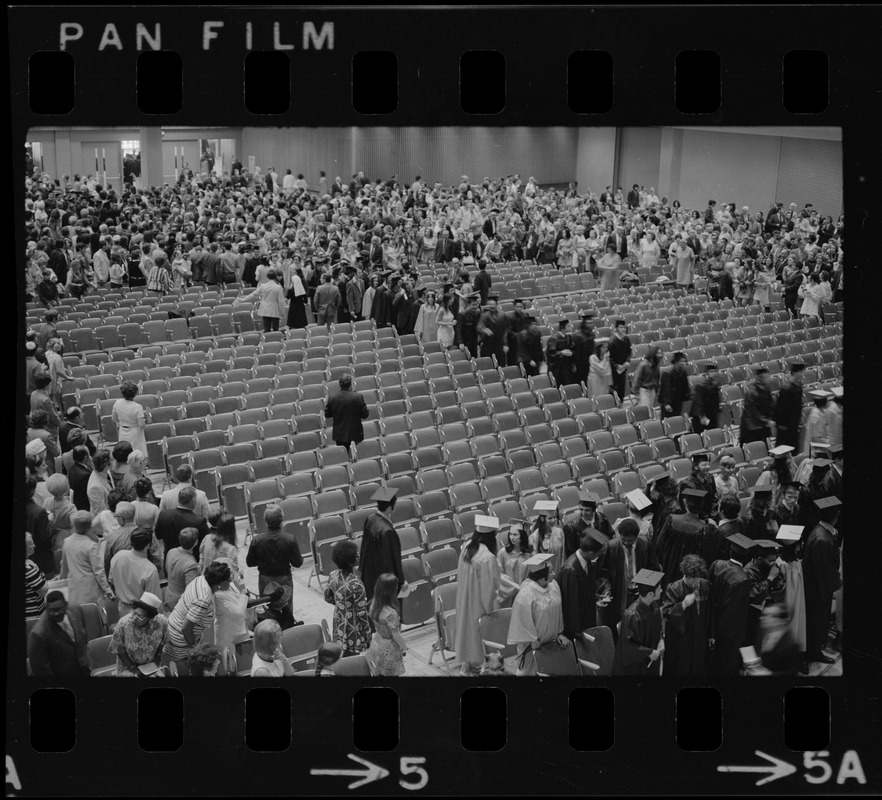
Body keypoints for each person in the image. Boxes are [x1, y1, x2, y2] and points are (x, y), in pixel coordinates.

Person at [455, 516, 503, 675]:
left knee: (468, 637)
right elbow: (491, 590)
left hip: (464, 602)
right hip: (478, 606)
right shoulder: (487, 557)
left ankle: (466, 667)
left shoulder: (466, 547)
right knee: (479, 640)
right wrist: (493, 610)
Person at [165, 561, 232, 675]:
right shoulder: (203, 599)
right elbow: (186, 629)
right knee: (190, 671)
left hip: (179, 627)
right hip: (182, 640)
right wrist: (196, 650)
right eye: (228, 579)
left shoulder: (201, 579)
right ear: (219, 584)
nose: (230, 581)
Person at [507, 554, 569, 676]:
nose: (554, 574)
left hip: (551, 643)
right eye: (551, 572)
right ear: (542, 576)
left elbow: (558, 611)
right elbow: (522, 622)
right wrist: (533, 640)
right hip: (532, 646)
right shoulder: (526, 595)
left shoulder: (554, 586)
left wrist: (559, 633)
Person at [595, 518, 657, 638]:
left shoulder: (645, 544)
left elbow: (653, 567)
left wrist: (645, 584)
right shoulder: (611, 547)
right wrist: (606, 589)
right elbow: (602, 573)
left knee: (638, 623)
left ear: (636, 536)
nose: (626, 543)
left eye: (630, 540)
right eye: (623, 539)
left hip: (639, 591)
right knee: (618, 623)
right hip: (619, 591)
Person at [708, 533, 756, 676]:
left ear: (730, 550)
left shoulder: (716, 564)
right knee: (725, 664)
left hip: (710, 620)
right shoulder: (743, 579)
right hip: (727, 630)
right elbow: (734, 611)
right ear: (746, 557)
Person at [802, 497, 841, 666]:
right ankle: (813, 653)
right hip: (817, 590)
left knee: (819, 623)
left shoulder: (824, 532)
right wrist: (835, 585)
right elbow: (823, 571)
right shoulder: (821, 539)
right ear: (836, 515)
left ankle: (815, 651)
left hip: (819, 587)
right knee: (816, 623)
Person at [246, 504, 304, 612]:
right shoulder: (289, 539)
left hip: (265, 580)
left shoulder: (257, 540)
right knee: (286, 611)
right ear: (281, 519)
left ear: (265, 520)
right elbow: (298, 563)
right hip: (284, 579)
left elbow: (250, 562)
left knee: (268, 610)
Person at [662, 554, 712, 676]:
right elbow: (666, 612)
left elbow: (710, 612)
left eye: (697, 578)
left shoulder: (705, 585)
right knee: (681, 668)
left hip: (700, 635)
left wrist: (711, 634)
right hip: (683, 639)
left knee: (698, 666)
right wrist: (683, 605)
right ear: (685, 574)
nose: (695, 581)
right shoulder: (674, 588)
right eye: (692, 578)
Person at [612, 569, 665, 676]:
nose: (662, 590)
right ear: (650, 594)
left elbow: (658, 628)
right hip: (634, 668)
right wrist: (649, 652)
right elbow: (628, 646)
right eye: (659, 589)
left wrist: (661, 640)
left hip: (650, 663)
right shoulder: (632, 615)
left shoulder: (654, 606)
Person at [324, 539, 372, 657]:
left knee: (341, 651)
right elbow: (362, 613)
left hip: (339, 619)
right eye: (356, 555)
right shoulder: (356, 584)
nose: (358, 556)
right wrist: (367, 631)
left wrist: (341, 604)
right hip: (353, 625)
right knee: (351, 655)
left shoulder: (333, 575)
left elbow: (327, 597)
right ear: (352, 562)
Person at [27, 591, 91, 677]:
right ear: (46, 608)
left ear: (66, 605)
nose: (56, 613)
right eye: (52, 610)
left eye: (59, 609)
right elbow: (41, 671)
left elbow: (83, 640)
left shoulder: (75, 610)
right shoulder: (38, 634)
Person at [558, 527, 606, 640]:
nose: (601, 554)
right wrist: (577, 631)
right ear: (590, 553)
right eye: (600, 552)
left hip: (587, 618)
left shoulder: (587, 561)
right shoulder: (570, 570)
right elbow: (571, 605)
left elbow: (586, 588)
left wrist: (597, 597)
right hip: (576, 630)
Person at [359, 488, 406, 603]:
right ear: (390, 508)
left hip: (369, 575)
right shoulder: (387, 532)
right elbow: (392, 560)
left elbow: (364, 549)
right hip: (384, 581)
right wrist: (401, 581)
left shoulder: (370, 519)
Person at [60, 510, 115, 606]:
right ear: (90, 526)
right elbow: (99, 572)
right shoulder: (91, 546)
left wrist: (62, 575)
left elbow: (64, 566)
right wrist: (108, 590)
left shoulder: (67, 541)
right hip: (90, 590)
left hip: (74, 590)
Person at [109, 591, 169, 677]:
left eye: (141, 616)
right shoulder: (124, 623)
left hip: (150, 665)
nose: (135, 617)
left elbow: (163, 641)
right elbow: (118, 649)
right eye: (135, 613)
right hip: (127, 665)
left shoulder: (161, 622)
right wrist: (131, 667)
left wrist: (158, 658)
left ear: (150, 618)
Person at [108, 527, 161, 617]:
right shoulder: (150, 569)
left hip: (122, 609)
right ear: (148, 545)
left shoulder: (118, 556)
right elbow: (153, 601)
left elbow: (111, 580)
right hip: (142, 615)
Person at [155, 486, 209, 565]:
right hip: (191, 562)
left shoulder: (164, 514)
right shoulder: (199, 521)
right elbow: (205, 543)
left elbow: (158, 535)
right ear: (194, 501)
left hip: (170, 561)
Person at [368, 573, 408, 676]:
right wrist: (404, 647)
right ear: (391, 591)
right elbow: (396, 635)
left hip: (377, 642)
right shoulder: (391, 613)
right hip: (389, 650)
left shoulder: (374, 602)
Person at [562, 491, 613, 560]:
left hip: (602, 558)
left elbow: (610, 537)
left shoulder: (602, 519)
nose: (583, 513)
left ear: (593, 510)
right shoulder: (571, 528)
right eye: (581, 509)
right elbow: (571, 553)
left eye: (587, 510)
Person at [324, 373, 369, 451]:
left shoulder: (332, 398)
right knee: (356, 457)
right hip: (356, 433)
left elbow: (327, 414)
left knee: (344, 457)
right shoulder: (358, 397)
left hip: (340, 435)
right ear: (350, 384)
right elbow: (365, 415)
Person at [496, 520, 533, 608]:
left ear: (522, 536)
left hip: (527, 594)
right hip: (509, 594)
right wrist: (514, 587)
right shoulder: (503, 553)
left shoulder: (530, 553)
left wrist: (525, 588)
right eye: (510, 534)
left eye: (515, 535)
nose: (512, 537)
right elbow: (499, 573)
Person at [199, 513, 242, 585]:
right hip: (220, 585)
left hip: (205, 580)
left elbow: (201, 563)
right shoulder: (230, 549)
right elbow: (232, 574)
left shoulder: (206, 538)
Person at [164, 527, 200, 611]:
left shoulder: (171, 551)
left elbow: (168, 570)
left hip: (168, 595)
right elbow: (190, 591)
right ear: (195, 542)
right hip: (180, 603)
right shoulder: (191, 564)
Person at [527, 500, 565, 579]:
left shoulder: (559, 532)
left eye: (554, 517)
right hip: (543, 577)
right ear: (542, 518)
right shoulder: (534, 537)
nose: (553, 520)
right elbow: (534, 562)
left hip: (558, 574)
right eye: (550, 518)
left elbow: (563, 556)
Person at [773, 361, 805, 451]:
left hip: (794, 427)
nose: (802, 374)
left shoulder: (798, 387)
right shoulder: (786, 389)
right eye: (800, 372)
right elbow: (780, 410)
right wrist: (782, 426)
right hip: (785, 429)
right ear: (794, 373)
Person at [739, 366, 774, 446]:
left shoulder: (767, 389)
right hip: (752, 428)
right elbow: (753, 413)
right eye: (767, 377)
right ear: (761, 378)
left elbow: (769, 407)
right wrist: (766, 421)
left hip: (763, 427)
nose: (769, 379)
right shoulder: (751, 393)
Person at [111, 381, 148, 455]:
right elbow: (141, 425)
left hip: (122, 431)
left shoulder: (117, 403)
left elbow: (114, 419)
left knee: (124, 453)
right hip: (135, 433)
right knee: (137, 455)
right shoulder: (137, 407)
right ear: (135, 393)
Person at [678, 452, 717, 519]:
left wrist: (713, 516)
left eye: (708, 464)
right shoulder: (687, 484)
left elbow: (714, 499)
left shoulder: (710, 478)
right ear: (696, 467)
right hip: (697, 519)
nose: (707, 467)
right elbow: (689, 508)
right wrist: (707, 520)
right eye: (704, 465)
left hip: (712, 516)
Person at [477, 295, 509, 366]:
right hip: (487, 343)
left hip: (499, 343)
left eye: (493, 304)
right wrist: (484, 329)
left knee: (501, 364)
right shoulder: (485, 315)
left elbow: (506, 331)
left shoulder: (502, 315)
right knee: (488, 364)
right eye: (489, 304)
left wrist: (506, 344)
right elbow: (479, 326)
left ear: (496, 304)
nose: (491, 306)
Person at [658, 352, 691, 419]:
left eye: (684, 361)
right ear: (676, 361)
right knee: (668, 420)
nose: (683, 363)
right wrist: (666, 403)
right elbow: (665, 390)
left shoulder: (683, 373)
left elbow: (685, 388)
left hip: (678, 402)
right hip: (669, 403)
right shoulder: (667, 374)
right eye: (681, 361)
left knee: (677, 419)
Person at [690, 362, 721, 434]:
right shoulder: (701, 386)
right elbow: (698, 403)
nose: (713, 373)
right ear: (707, 373)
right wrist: (702, 416)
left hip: (712, 416)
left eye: (714, 371)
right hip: (703, 417)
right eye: (711, 371)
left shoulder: (715, 385)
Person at [607, 320, 632, 404]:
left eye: (624, 327)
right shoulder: (612, 341)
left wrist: (628, 361)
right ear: (616, 329)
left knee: (622, 389)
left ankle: (620, 404)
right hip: (614, 371)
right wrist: (616, 366)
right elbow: (608, 358)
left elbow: (629, 352)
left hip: (623, 369)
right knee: (614, 390)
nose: (623, 329)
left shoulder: (626, 339)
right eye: (621, 327)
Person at [25, 531, 49, 618]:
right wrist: (46, 583)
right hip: (35, 614)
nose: (34, 546)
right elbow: (42, 591)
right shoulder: (29, 569)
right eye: (31, 544)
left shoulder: (28, 562)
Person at [546, 319, 575, 388]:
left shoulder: (569, 337)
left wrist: (571, 353)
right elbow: (550, 353)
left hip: (567, 365)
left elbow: (573, 349)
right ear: (563, 328)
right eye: (568, 326)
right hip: (557, 367)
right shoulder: (554, 339)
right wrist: (561, 353)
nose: (570, 327)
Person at [801, 390, 832, 454]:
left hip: (822, 446)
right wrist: (830, 441)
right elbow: (816, 438)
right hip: (816, 449)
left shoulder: (821, 411)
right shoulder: (816, 417)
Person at [86, 449, 114, 515]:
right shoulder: (95, 488)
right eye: (112, 459)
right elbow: (101, 513)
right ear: (107, 464)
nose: (114, 461)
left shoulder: (106, 471)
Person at [67, 445, 93, 511]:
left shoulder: (72, 468)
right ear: (85, 457)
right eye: (89, 454)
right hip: (85, 507)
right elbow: (90, 493)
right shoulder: (86, 475)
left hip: (76, 503)